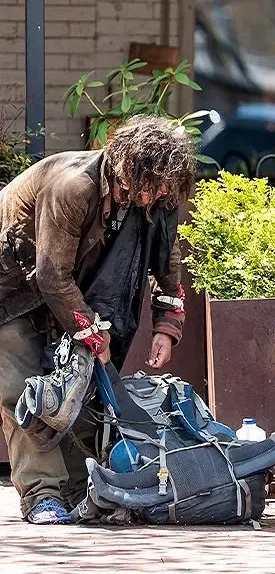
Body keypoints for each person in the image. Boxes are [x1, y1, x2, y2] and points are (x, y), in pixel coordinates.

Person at [0, 115, 194, 524]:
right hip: (11, 289)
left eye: (164, 188)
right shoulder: (73, 186)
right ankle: (42, 495)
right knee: (24, 390)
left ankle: (78, 490)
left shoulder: (155, 192)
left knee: (82, 386)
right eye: (152, 184)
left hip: (67, 288)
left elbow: (167, 258)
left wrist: (167, 325)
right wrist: (90, 331)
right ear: (128, 167)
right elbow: (51, 274)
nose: (158, 194)